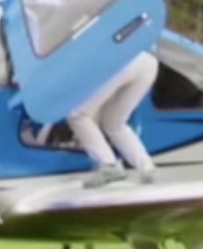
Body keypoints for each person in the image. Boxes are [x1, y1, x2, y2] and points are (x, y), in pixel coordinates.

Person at [64, 48, 162, 180]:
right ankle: (146, 168)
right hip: (148, 60)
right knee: (114, 123)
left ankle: (108, 165)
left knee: (76, 114)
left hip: (120, 60)